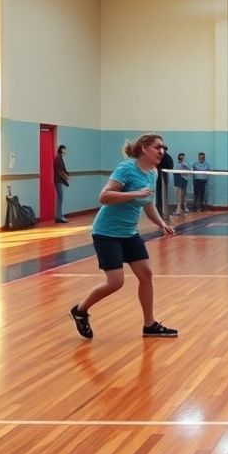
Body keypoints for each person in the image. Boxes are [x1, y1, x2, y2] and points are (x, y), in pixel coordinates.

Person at [68, 133, 178, 340]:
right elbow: (104, 196)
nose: (162, 152)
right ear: (144, 148)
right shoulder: (126, 168)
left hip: (129, 233)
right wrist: (134, 194)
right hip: (106, 233)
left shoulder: (152, 173)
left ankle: (150, 324)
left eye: (163, 148)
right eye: (158, 147)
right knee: (115, 282)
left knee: (146, 274)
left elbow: (147, 203)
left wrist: (161, 223)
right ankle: (80, 311)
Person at [156, 144, 174, 221]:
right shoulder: (166, 157)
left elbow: (170, 166)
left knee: (161, 197)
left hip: (162, 178)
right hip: (160, 178)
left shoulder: (165, 157)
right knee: (161, 197)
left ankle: (162, 214)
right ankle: (161, 214)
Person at [54, 144, 70, 223]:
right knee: (60, 198)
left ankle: (59, 216)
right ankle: (59, 217)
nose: (65, 151)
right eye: (64, 149)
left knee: (60, 198)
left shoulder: (59, 158)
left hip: (59, 180)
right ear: (61, 150)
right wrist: (66, 177)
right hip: (58, 180)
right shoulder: (58, 158)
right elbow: (60, 171)